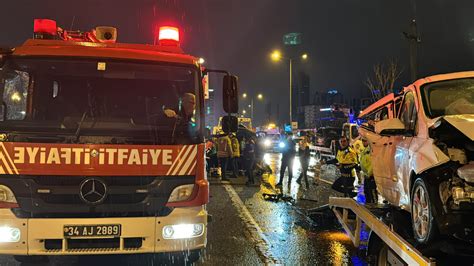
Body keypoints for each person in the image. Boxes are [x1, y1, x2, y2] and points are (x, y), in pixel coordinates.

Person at [360, 138, 377, 203]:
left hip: (371, 176)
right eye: (362, 141)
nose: (363, 142)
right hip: (366, 175)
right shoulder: (365, 150)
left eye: (365, 141)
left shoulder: (371, 150)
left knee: (372, 193)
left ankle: (375, 209)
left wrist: (369, 174)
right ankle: (369, 208)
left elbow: (373, 164)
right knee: (367, 192)